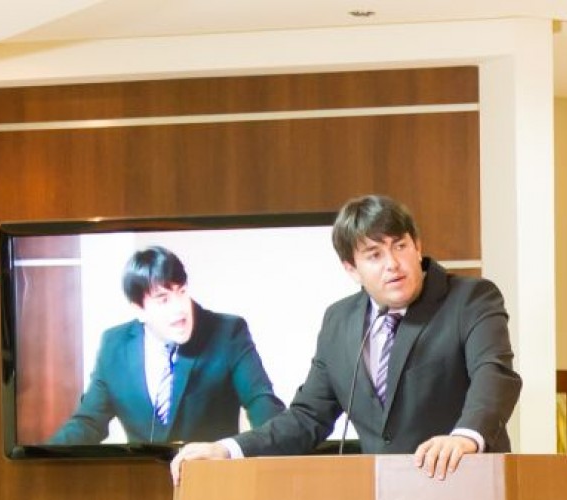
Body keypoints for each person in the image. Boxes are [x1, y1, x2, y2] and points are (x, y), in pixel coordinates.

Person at [170, 194, 523, 485]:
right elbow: (308, 418)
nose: (393, 264)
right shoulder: (340, 321)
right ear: (350, 268)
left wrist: (465, 437)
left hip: (467, 488)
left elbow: (494, 375)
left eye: (400, 246)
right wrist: (228, 448)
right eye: (374, 255)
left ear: (418, 247)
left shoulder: (471, 299)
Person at [47, 246, 285, 446]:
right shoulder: (114, 345)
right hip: (141, 489)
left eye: (181, 292)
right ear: (138, 309)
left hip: (212, 485)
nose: (180, 308)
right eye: (163, 299)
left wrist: (281, 452)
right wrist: (44, 461)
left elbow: (261, 403)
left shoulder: (227, 332)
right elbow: (88, 422)